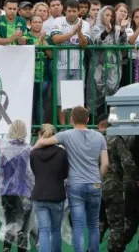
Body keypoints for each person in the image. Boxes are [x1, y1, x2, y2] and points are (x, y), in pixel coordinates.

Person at [34, 106, 109, 252]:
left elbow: (43, 142)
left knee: (78, 226)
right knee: (94, 224)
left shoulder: (66, 135)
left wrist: (31, 150)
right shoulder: (99, 137)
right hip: (94, 184)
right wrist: (98, 179)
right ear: (88, 119)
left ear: (71, 119)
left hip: (75, 185)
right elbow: (105, 163)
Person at [0, 120, 35, 252]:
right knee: (23, 230)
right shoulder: (29, 150)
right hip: (25, 192)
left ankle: (6, 248)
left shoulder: (3, 150)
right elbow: (32, 173)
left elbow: (0, 170)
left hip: (7, 193)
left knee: (10, 225)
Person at [30, 124, 69, 252]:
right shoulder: (62, 153)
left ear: (40, 136)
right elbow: (65, 174)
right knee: (56, 230)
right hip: (57, 195)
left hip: (39, 195)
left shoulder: (34, 153)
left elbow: (34, 171)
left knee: (44, 231)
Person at [103, 117, 138, 252]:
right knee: (117, 226)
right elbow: (128, 162)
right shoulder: (116, 139)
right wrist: (136, 177)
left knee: (100, 223)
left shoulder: (97, 139)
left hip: (96, 184)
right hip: (114, 184)